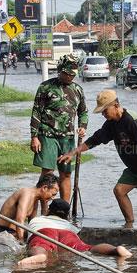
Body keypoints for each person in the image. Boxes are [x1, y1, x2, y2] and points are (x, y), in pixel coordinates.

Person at [58, 89, 137, 228]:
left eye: (104, 110)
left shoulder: (132, 120)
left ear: (116, 105)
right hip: (134, 168)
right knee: (119, 191)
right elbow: (96, 139)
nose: (103, 114)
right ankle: (129, 225)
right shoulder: (111, 123)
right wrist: (73, 152)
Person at [30, 54, 88, 202]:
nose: (70, 77)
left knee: (66, 174)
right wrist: (34, 137)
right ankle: (44, 209)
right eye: (67, 73)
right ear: (60, 71)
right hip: (47, 136)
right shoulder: (46, 87)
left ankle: (64, 209)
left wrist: (82, 127)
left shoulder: (78, 90)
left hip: (67, 138)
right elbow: (36, 112)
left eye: (72, 74)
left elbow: (83, 112)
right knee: (48, 173)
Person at [16, 198, 132, 268]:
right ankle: (115, 250)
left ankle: (39, 255)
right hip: (68, 233)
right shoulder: (71, 226)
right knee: (87, 248)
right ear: (66, 215)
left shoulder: (37, 220)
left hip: (44, 231)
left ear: (49, 211)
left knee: (40, 245)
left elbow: (26, 235)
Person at [0, 173, 60, 241]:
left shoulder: (36, 199)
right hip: (1, 231)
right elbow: (19, 222)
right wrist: (22, 242)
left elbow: (32, 225)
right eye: (53, 194)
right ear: (44, 188)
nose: (53, 198)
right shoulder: (26, 194)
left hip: (13, 233)